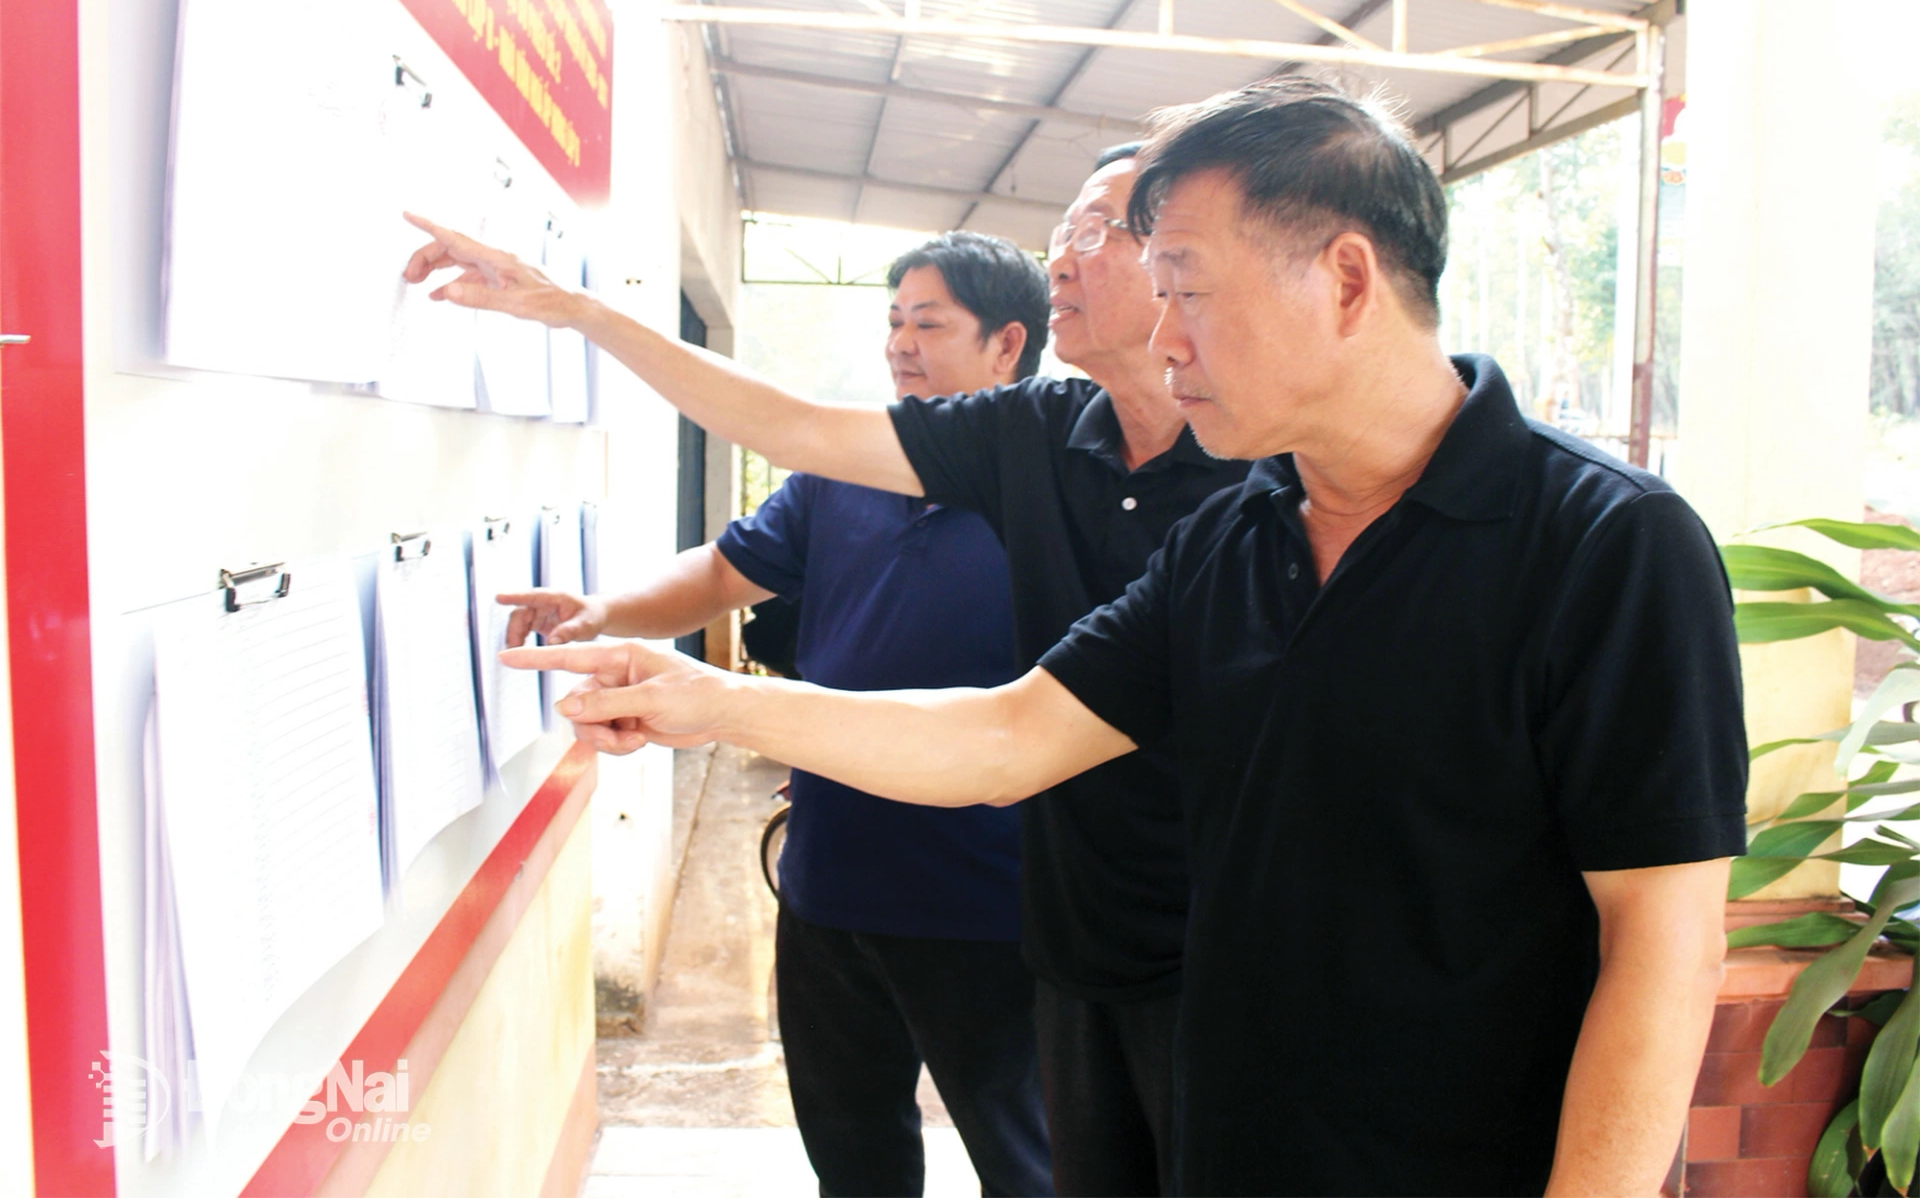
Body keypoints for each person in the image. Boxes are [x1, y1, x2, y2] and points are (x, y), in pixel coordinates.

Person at [499, 79, 1748, 1197]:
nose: (1162, 339)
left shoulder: (1605, 545)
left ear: (1350, 279)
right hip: (1229, 1125)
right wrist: (709, 699)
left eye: (1189, 289)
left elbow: (1664, 944)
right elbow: (1008, 733)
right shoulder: (1233, 540)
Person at [403, 144, 1249, 1194]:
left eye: (1099, 232)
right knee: (866, 1150)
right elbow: (779, 446)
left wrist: (722, 704)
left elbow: (1007, 738)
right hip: (878, 885)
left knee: (1031, 1157)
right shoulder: (1026, 436)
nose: (1067, 258)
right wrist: (582, 312)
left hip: (1051, 913)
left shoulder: (1264, 482)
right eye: (1062, 231)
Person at [498, 233, 1054, 1197]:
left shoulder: (1053, 484)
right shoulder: (846, 470)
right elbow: (723, 571)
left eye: (929, 324)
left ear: (1008, 346)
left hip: (987, 897)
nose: (900, 345)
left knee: (1029, 1155)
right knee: (852, 1150)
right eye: (892, 322)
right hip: (830, 882)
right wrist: (607, 611)